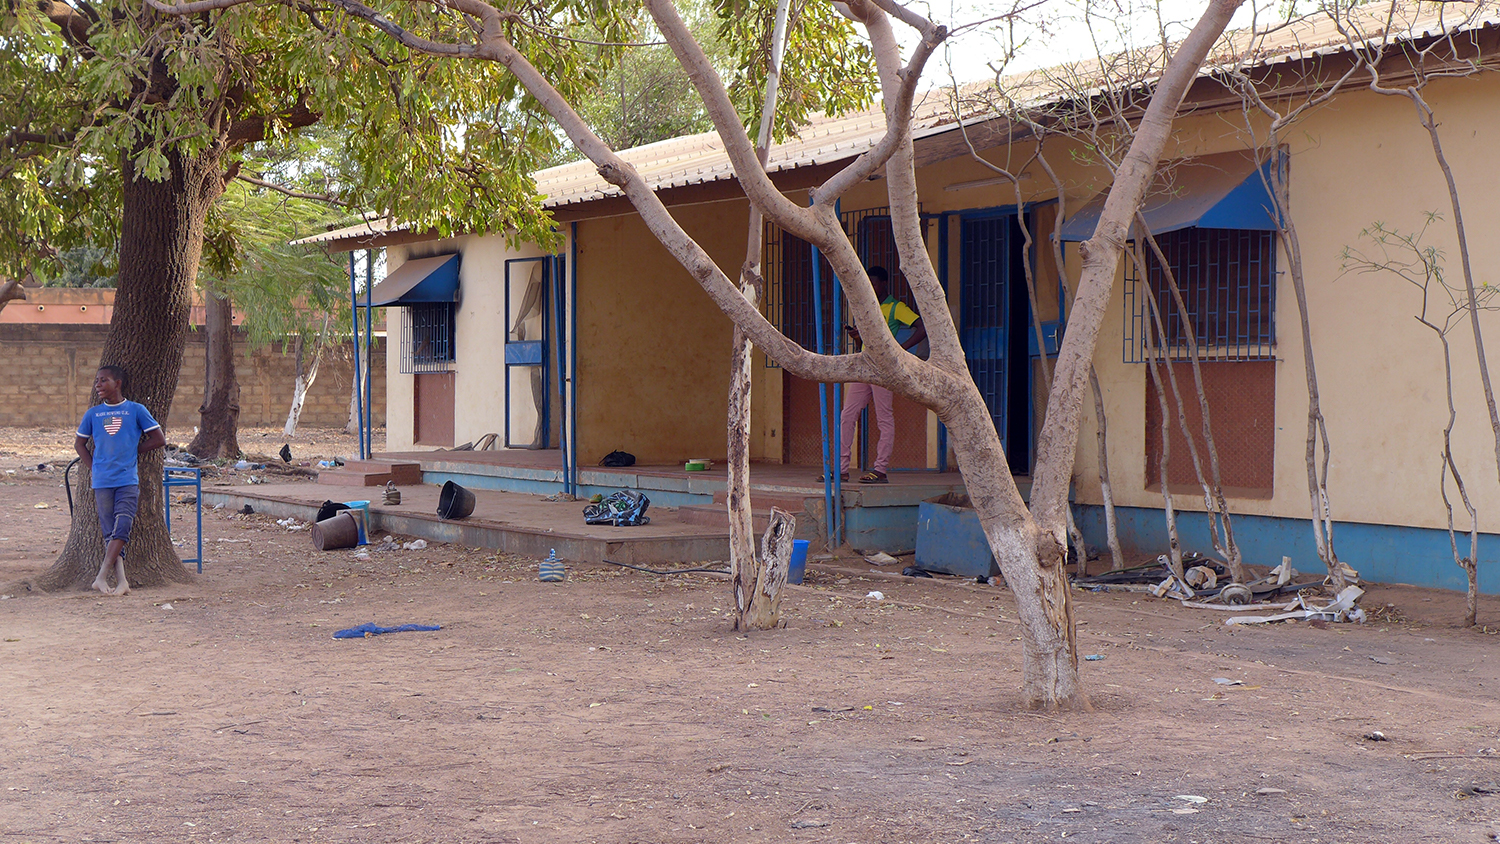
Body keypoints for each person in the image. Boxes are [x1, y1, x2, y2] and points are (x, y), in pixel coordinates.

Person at [75, 365, 165, 596]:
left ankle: (102, 575)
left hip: (127, 479)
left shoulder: (135, 410)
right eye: (97, 381)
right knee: (109, 531)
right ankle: (122, 581)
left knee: (123, 526)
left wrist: (133, 451)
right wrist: (93, 468)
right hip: (102, 481)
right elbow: (79, 444)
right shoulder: (93, 414)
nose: (98, 385)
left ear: (118, 383)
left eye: (103, 380)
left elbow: (158, 439)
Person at [833, 266, 927, 484]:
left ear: (884, 284)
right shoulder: (867, 307)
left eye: (875, 283)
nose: (872, 288)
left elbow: (922, 327)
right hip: (865, 364)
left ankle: (880, 470)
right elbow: (863, 344)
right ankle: (842, 470)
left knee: (884, 418)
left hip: (884, 369)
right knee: (847, 415)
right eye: (869, 284)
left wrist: (900, 351)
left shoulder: (896, 307)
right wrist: (857, 337)